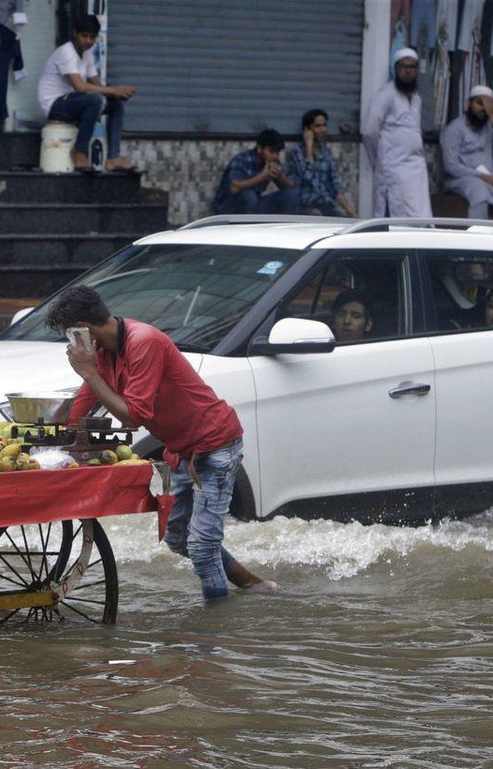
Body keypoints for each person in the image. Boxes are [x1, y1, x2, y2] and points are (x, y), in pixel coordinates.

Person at [46, 285, 277, 602]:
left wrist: (88, 372)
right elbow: (81, 406)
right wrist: (50, 444)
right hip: (181, 452)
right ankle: (252, 584)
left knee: (202, 547)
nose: (71, 346)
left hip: (215, 445)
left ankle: (216, 634)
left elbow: (134, 417)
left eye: (69, 336)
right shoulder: (102, 354)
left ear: (83, 329)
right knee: (179, 537)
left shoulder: (144, 342)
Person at [35, 14, 137, 173]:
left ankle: (113, 158)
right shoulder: (66, 52)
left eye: (92, 37)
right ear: (75, 33)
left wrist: (118, 94)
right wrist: (113, 90)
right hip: (54, 104)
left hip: (74, 102)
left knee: (116, 105)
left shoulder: (87, 55)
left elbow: (96, 85)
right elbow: (80, 87)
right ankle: (79, 151)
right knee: (94, 100)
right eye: (84, 36)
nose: (88, 41)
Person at [362, 48, 432, 218]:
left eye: (412, 67)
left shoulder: (416, 98)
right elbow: (370, 132)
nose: (408, 71)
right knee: (399, 214)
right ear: (396, 69)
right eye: (403, 67)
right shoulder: (386, 95)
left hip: (416, 167)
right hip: (393, 166)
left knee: (421, 215)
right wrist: (379, 160)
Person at [440, 85, 493, 221]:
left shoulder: (489, 127)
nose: (483, 109)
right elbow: (450, 166)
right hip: (460, 179)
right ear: (468, 103)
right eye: (479, 103)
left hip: (489, 178)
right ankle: (479, 234)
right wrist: (481, 176)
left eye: (487, 105)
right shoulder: (454, 129)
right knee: (479, 190)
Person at [286, 109, 357, 217]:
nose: (323, 130)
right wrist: (309, 148)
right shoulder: (297, 152)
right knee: (317, 215)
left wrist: (350, 210)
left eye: (324, 125)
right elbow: (308, 177)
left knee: (344, 220)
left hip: (325, 204)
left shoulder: (326, 152)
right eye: (318, 126)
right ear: (307, 130)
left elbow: (334, 185)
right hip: (304, 206)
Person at [211, 129, 298, 215]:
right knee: (249, 196)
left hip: (253, 205)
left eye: (277, 152)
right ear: (260, 149)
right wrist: (262, 176)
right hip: (227, 208)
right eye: (271, 151)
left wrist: (280, 176)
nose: (274, 156)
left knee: (290, 196)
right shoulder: (243, 160)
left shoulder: (273, 161)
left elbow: (290, 188)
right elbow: (234, 188)